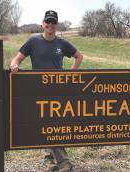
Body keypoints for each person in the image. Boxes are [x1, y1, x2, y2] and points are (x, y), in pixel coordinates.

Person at [10, 10, 83, 172]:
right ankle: (54, 160)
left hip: (58, 91)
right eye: (47, 22)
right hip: (39, 90)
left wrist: (70, 75)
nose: (50, 25)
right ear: (42, 24)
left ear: (56, 25)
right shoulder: (33, 41)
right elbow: (17, 58)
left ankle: (58, 161)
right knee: (46, 125)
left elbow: (79, 56)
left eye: (53, 23)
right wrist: (14, 65)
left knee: (54, 125)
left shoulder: (63, 44)